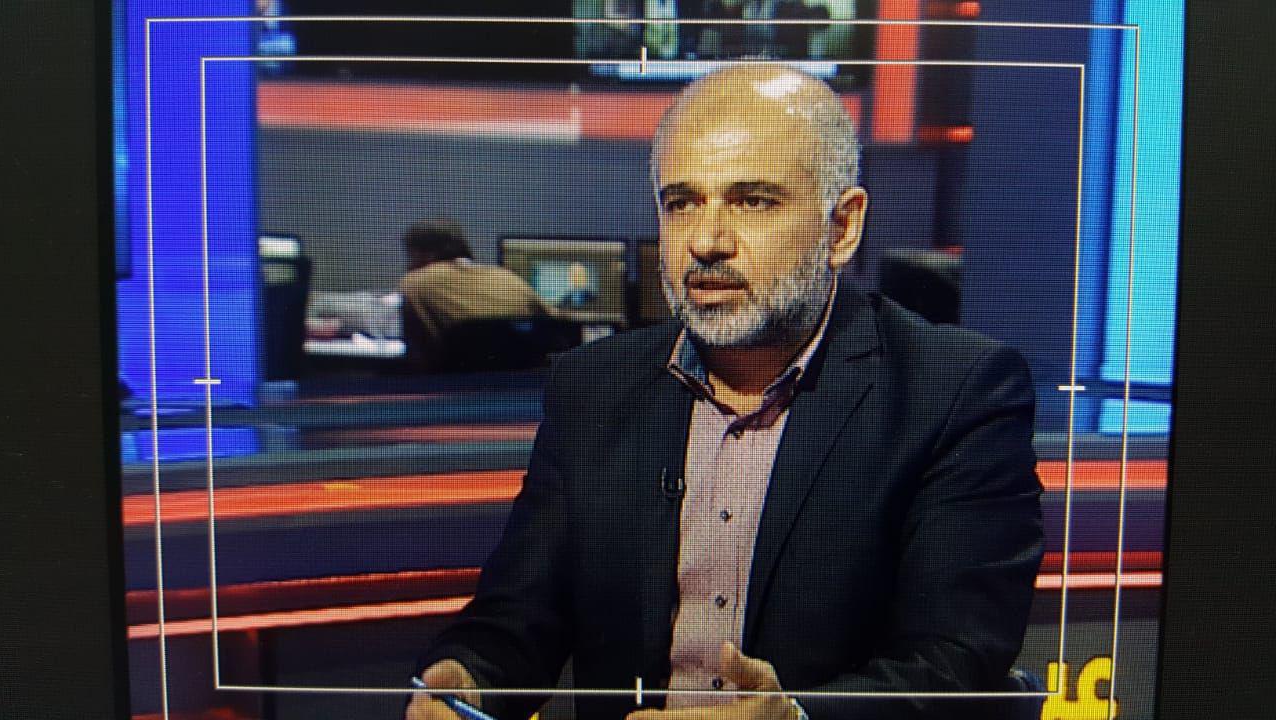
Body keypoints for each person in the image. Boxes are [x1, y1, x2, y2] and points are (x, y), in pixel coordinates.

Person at [407, 65, 1043, 720]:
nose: (706, 242)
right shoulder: (593, 388)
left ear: (842, 227)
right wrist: (465, 680)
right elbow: (516, 620)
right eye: (681, 202)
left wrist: (796, 717)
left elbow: (955, 663)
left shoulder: (954, 393)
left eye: (753, 201)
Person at [397, 220, 554, 370]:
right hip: (522, 380)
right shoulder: (508, 277)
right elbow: (557, 325)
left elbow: (419, 349)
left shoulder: (414, 282)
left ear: (425, 254)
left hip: (451, 380)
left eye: (411, 256)